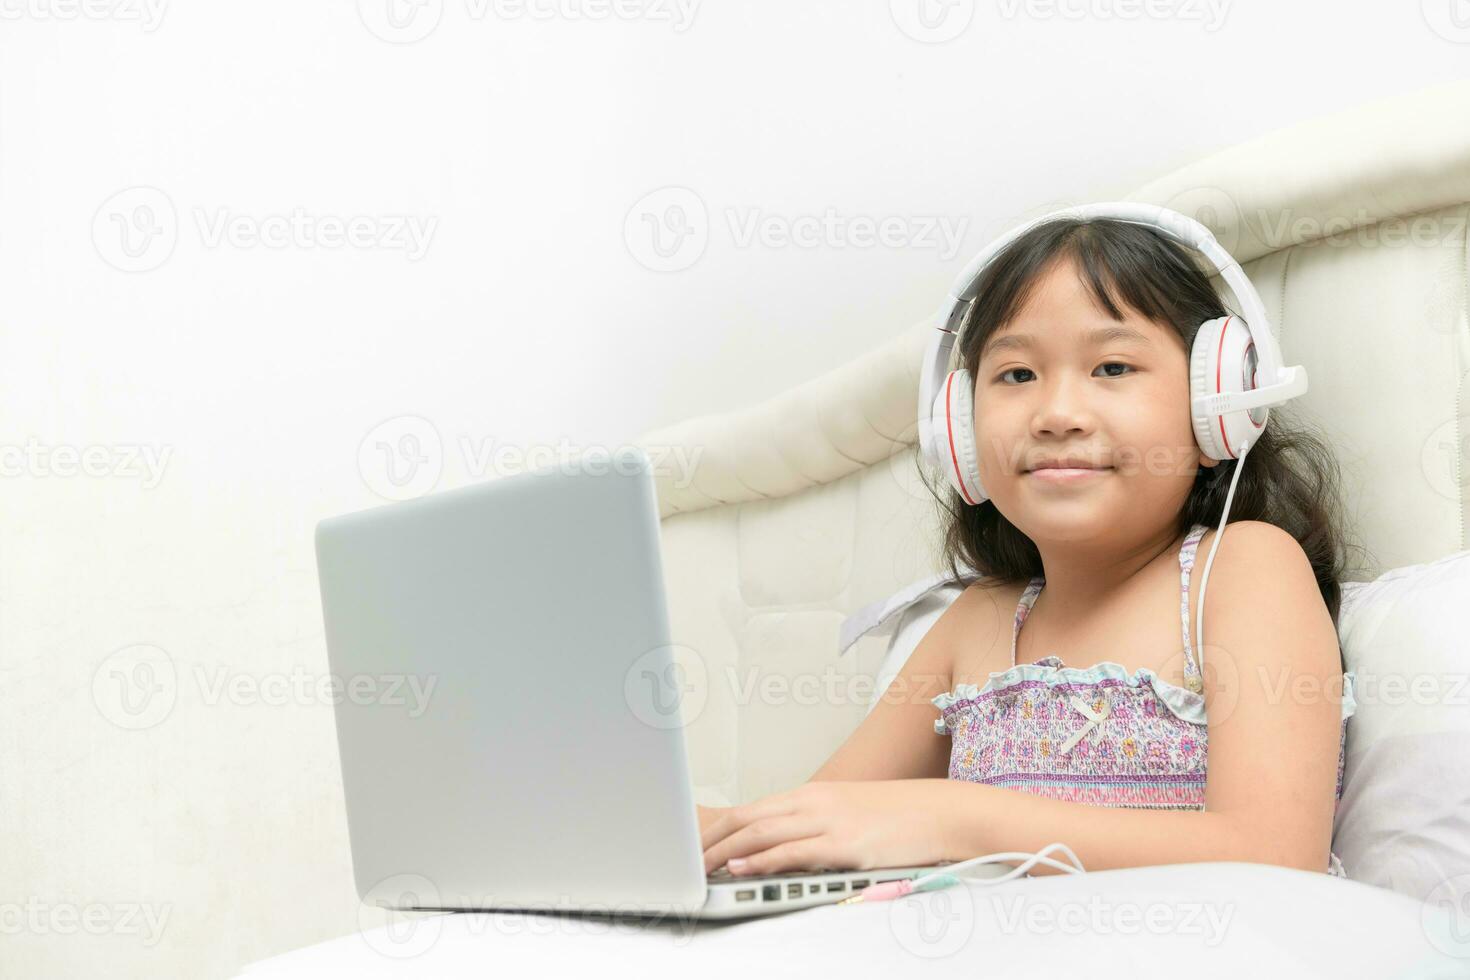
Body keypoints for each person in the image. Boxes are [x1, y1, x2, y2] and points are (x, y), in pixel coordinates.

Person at [698, 214, 1361, 879]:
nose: (1055, 414)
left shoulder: (1243, 569)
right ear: (959, 430)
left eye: (1112, 366)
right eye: (1017, 375)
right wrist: (684, 831)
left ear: (1214, 402)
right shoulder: (977, 621)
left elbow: (1273, 854)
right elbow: (814, 823)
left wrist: (953, 818)